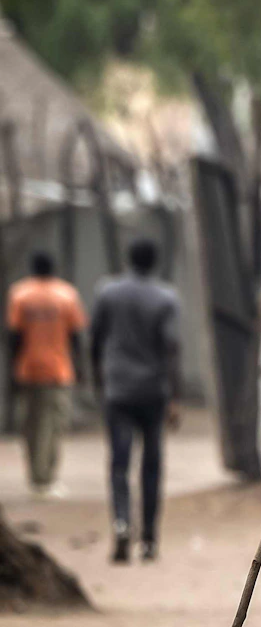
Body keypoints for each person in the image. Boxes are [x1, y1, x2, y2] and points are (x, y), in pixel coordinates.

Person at [92, 238, 181, 563]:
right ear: (154, 261)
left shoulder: (107, 292)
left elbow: (95, 340)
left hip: (117, 388)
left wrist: (99, 380)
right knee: (151, 465)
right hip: (153, 391)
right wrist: (175, 396)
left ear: (128, 258)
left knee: (119, 461)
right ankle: (148, 539)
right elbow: (171, 348)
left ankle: (120, 523)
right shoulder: (165, 297)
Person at [7, 251, 86, 498]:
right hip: (58, 370)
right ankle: (48, 479)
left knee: (31, 425)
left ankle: (35, 476)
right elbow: (75, 336)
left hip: (27, 369)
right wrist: (80, 368)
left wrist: (11, 370)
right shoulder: (67, 294)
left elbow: (13, 337)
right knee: (52, 426)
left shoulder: (20, 294)